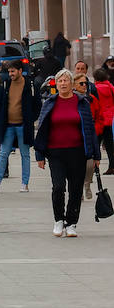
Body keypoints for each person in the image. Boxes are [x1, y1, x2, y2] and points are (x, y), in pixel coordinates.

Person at [34, 69, 100, 237]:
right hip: (55, 153)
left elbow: (90, 129)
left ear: (72, 84)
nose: (63, 83)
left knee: (75, 189)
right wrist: (40, 155)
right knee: (58, 187)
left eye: (66, 80)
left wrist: (96, 155)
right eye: (60, 81)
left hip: (77, 152)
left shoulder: (82, 102)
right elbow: (41, 130)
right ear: (56, 84)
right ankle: (58, 220)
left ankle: (71, 223)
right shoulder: (49, 103)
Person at [0, 61, 37, 193]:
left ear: (20, 70)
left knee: (25, 155)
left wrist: (31, 118)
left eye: (13, 71)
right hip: (8, 125)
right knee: (3, 154)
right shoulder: (6, 83)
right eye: (9, 71)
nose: (10, 74)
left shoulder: (30, 84)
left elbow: (36, 104)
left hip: (23, 125)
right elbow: (0, 102)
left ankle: (25, 183)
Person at [75, 73, 102, 201]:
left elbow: (98, 116)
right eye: (81, 83)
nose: (84, 85)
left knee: (90, 165)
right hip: (76, 138)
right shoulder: (72, 99)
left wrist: (95, 130)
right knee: (77, 167)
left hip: (90, 136)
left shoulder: (91, 99)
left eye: (86, 83)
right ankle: (79, 189)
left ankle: (87, 184)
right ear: (74, 85)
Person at [94, 67, 114, 171]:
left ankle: (95, 167)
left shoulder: (94, 88)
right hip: (110, 120)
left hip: (100, 120)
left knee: (96, 144)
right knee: (110, 145)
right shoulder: (111, 87)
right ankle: (112, 166)